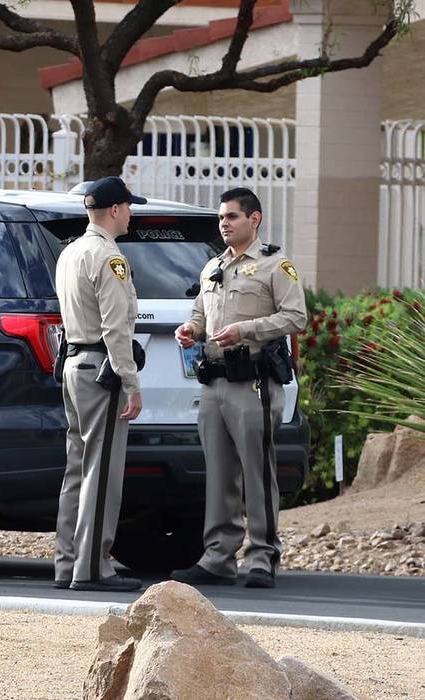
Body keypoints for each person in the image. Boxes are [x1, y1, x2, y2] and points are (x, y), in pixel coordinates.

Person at [171, 187, 307, 589]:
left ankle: (262, 556)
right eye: (221, 218)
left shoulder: (274, 266)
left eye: (231, 217)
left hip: (253, 384)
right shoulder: (212, 266)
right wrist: (190, 330)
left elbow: (296, 317)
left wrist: (246, 330)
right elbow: (199, 312)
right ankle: (217, 556)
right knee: (220, 472)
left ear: (254, 219)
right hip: (214, 381)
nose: (224, 224)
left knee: (257, 470)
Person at [54, 176, 145, 593]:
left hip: (74, 365)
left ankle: (68, 561)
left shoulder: (71, 251)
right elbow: (115, 328)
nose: (130, 213)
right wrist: (132, 383)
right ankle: (92, 567)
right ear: (114, 210)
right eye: (128, 206)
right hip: (99, 369)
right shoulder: (109, 257)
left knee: (78, 467)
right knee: (101, 469)